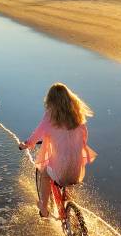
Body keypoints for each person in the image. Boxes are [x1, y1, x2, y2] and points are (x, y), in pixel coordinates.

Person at [18, 83, 97, 217]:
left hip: (61, 172)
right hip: (77, 171)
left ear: (50, 101)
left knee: (44, 173)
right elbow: (84, 137)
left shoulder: (50, 117)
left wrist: (26, 144)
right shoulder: (78, 116)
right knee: (68, 174)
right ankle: (69, 207)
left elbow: (37, 135)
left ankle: (43, 208)